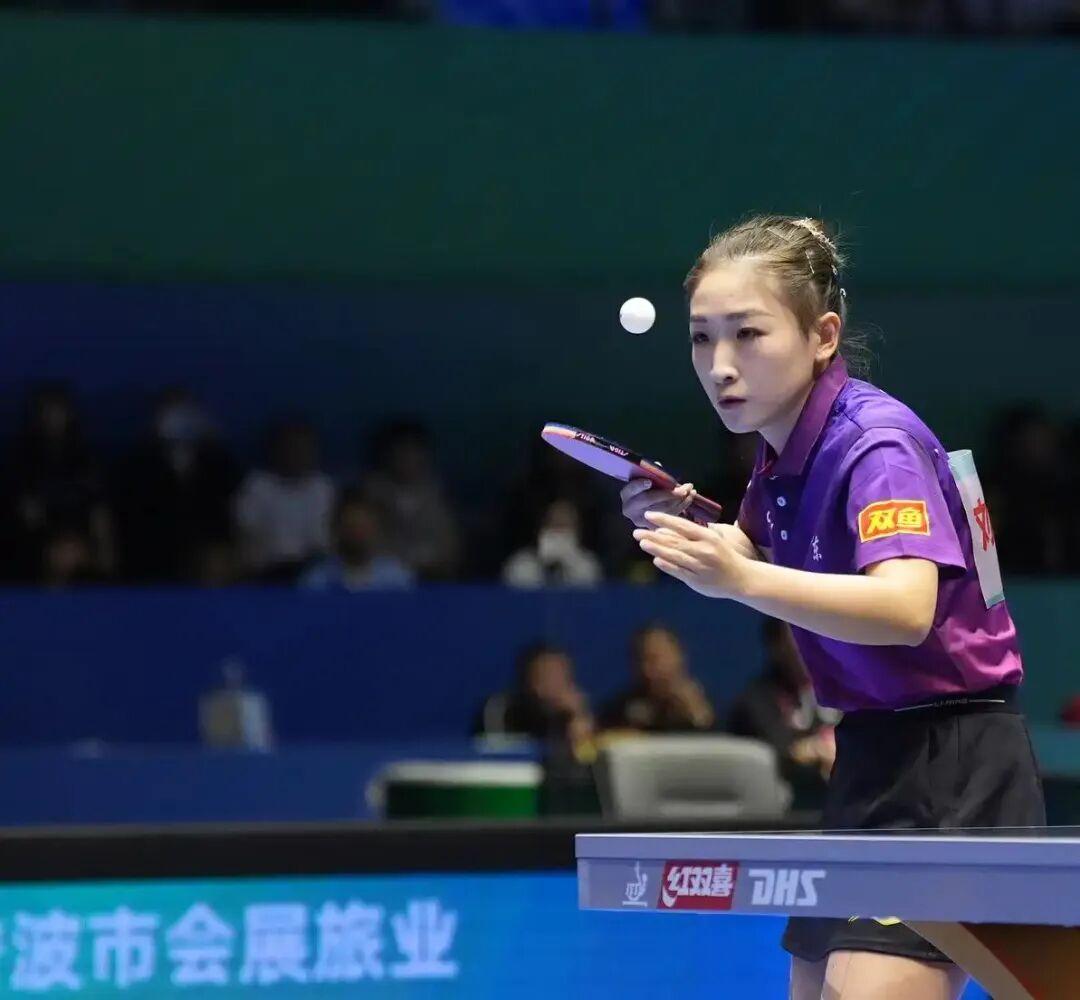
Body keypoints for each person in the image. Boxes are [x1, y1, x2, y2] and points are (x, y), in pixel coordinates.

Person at [622, 215, 1044, 999]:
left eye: (748, 334)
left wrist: (738, 578)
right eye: (701, 339)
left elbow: (905, 609)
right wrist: (688, 535)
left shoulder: (875, 444)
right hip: (871, 753)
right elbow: (759, 556)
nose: (720, 365)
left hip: (950, 758)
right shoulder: (783, 451)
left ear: (822, 336)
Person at [728, 617, 839, 787]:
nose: (812, 646)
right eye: (800, 636)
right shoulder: (755, 701)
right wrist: (816, 750)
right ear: (777, 646)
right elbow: (779, 751)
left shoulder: (849, 690)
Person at [234, 420, 336, 581]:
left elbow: (330, 539)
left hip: (316, 570)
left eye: (303, 448)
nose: (296, 454)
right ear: (276, 450)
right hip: (268, 570)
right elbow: (245, 534)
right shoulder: (257, 486)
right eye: (291, 447)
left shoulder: (324, 488)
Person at [362, 420, 459, 581]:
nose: (407, 457)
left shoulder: (439, 494)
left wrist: (429, 564)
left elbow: (450, 547)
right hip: (383, 581)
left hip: (433, 579)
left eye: (414, 450)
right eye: (401, 450)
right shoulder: (371, 493)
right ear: (387, 454)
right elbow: (365, 545)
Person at [600, 624, 715, 732]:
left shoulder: (710, 705)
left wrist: (699, 717)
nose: (647, 671)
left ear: (679, 656)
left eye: (654, 660)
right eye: (641, 660)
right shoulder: (621, 709)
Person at [476, 643, 595, 747]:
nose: (557, 683)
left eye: (562, 676)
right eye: (548, 675)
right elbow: (496, 755)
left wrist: (579, 716)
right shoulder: (501, 709)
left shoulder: (570, 715)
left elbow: (587, 756)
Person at [300, 489, 414, 591]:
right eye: (351, 527)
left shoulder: (396, 578)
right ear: (337, 530)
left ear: (376, 529)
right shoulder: (317, 581)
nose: (357, 535)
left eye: (363, 527)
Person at [502, 499, 604, 588]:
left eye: (564, 526)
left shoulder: (588, 565)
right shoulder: (521, 564)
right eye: (554, 525)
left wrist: (569, 564)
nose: (559, 533)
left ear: (577, 531)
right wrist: (544, 565)